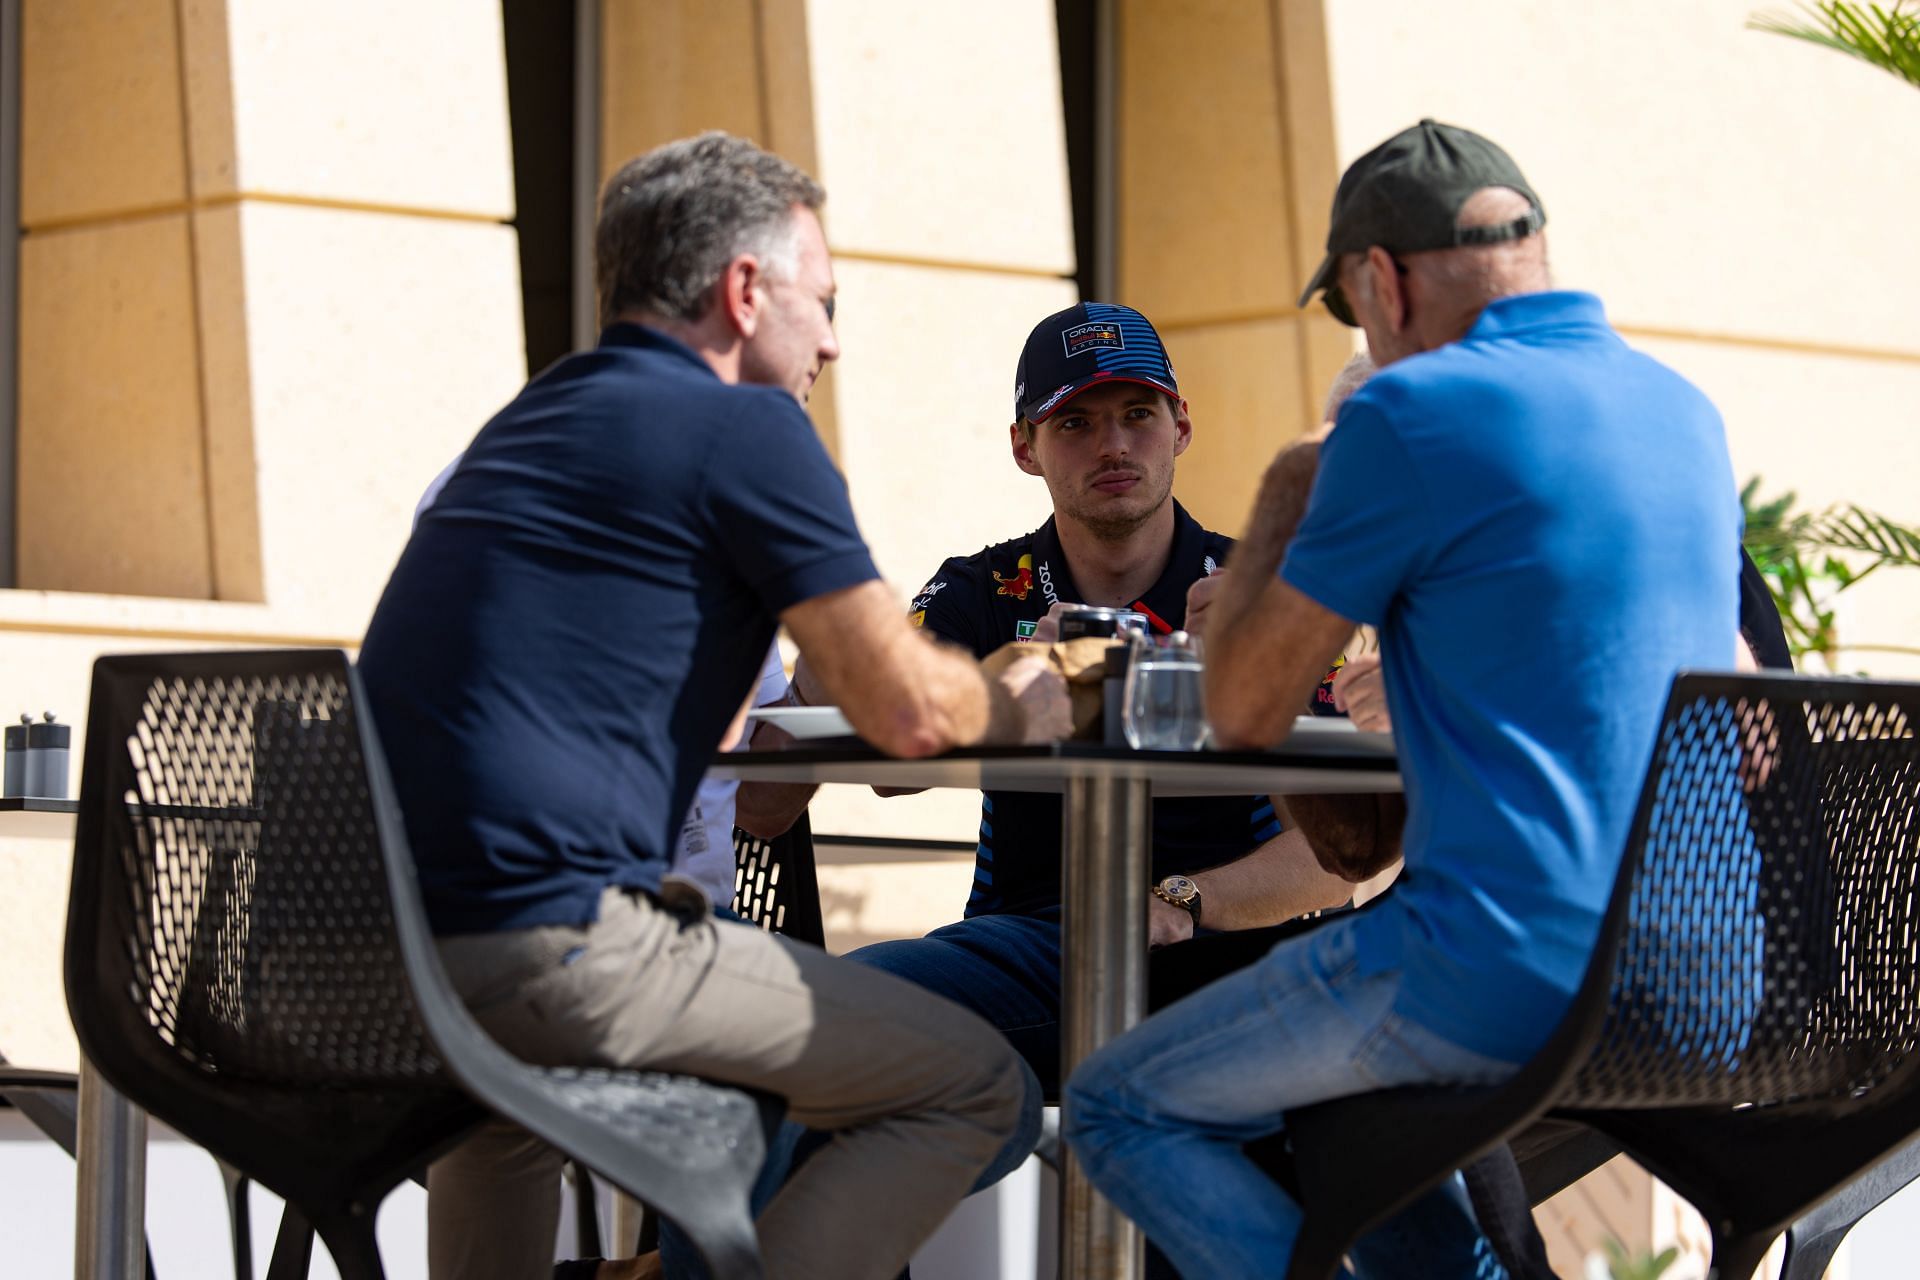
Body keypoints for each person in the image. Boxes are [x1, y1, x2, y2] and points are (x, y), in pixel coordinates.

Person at [357, 130, 1073, 1280]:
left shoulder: (525, 429)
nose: (832, 340)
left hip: (386, 965)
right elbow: (903, 708)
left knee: (508, 1117)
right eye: (823, 299)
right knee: (975, 1080)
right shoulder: (744, 425)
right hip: (561, 949)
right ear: (745, 291)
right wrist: (1022, 699)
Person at [1062, 119, 1744, 1276]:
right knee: (1338, 1119)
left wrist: (1291, 482)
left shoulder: (1409, 410)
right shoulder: (1682, 407)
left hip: (1506, 973)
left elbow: (1244, 712)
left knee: (1117, 1103)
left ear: (1382, 279)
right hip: (1713, 977)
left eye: (1354, 312)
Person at [752, 303, 1358, 1273]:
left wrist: (1184, 898)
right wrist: (844, 641)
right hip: (1033, 948)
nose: (1112, 443)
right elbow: (840, 785)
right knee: (825, 1036)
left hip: (1233, 957)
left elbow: (1334, 859)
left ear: (1181, 427)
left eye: (1137, 413)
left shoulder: (1254, 584)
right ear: (1026, 447)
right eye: (1075, 421)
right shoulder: (982, 592)